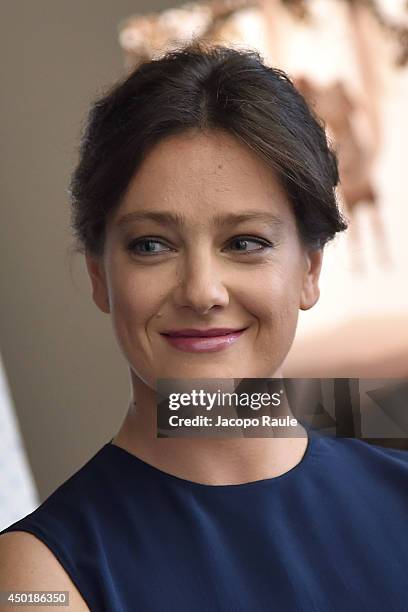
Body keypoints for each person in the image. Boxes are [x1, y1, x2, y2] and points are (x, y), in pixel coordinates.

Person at [0, 42, 407, 612]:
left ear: (309, 270)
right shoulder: (35, 576)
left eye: (245, 242)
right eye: (151, 245)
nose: (201, 291)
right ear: (99, 276)